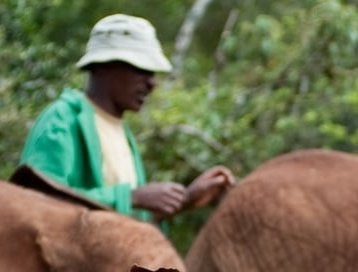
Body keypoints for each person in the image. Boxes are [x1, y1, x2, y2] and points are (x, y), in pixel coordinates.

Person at [18, 14, 235, 221]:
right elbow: (37, 203)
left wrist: (184, 200)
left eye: (153, 73)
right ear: (103, 66)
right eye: (141, 69)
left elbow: (124, 224)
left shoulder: (122, 133)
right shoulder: (62, 120)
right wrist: (132, 197)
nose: (152, 84)